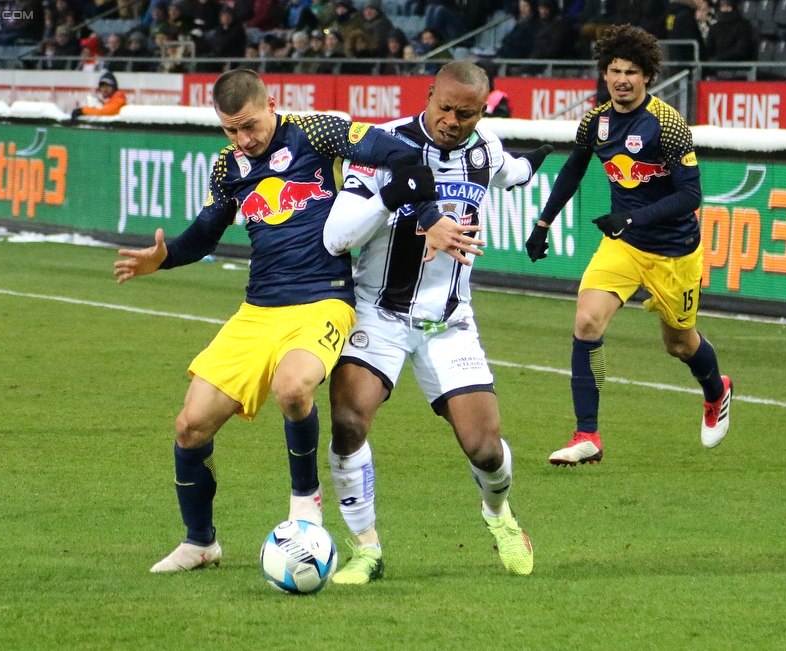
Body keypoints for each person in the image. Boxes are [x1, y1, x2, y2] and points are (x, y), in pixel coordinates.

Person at [113, 68, 453, 573]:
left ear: (271, 103)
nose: (242, 140)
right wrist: (160, 259)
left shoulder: (317, 132)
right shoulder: (229, 165)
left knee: (293, 389)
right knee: (189, 427)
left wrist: (427, 217)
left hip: (324, 300)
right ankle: (200, 542)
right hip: (258, 311)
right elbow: (205, 235)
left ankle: (304, 499)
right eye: (230, 129)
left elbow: (400, 154)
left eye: (249, 126)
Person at [322, 61, 554, 584]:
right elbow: (337, 237)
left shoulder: (485, 149)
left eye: (466, 114)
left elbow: (510, 171)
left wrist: (534, 163)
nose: (452, 120)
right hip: (378, 313)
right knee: (347, 423)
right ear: (428, 95)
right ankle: (366, 550)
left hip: (449, 323)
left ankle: (499, 515)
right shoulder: (380, 147)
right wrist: (395, 200)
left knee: (486, 450)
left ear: (482, 112)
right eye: (444, 107)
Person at [525, 24, 732, 466]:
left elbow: (691, 196)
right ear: (604, 74)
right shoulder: (596, 121)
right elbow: (573, 170)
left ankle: (716, 390)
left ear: (648, 77)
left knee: (679, 344)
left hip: (675, 252)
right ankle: (588, 436)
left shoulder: (668, 125)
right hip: (623, 246)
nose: (622, 79)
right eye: (614, 70)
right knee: (586, 322)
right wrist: (543, 222)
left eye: (631, 72)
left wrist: (631, 216)